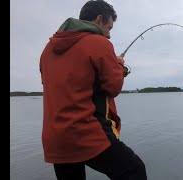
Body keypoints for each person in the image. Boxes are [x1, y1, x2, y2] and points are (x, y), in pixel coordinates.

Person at [39, 0, 147, 179]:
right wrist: (118, 65)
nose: (109, 36)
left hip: (55, 139)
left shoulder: (47, 50)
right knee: (134, 169)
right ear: (99, 20)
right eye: (109, 28)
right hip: (86, 134)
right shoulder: (100, 43)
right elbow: (113, 87)